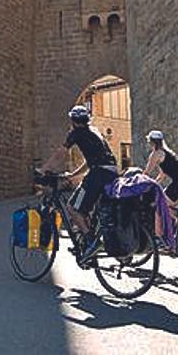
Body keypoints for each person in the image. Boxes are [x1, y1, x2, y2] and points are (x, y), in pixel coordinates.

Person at [59, 104, 119, 259]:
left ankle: (92, 241)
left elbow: (60, 153)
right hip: (111, 171)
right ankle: (85, 243)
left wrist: (42, 169)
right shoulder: (95, 131)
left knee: (72, 208)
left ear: (73, 120)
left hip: (98, 174)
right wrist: (73, 175)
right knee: (86, 208)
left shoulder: (76, 133)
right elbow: (90, 161)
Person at [143, 129, 178, 206]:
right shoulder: (167, 152)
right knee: (167, 200)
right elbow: (163, 174)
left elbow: (146, 173)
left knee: (163, 202)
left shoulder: (156, 154)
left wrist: (140, 185)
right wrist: (155, 184)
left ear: (151, 142)